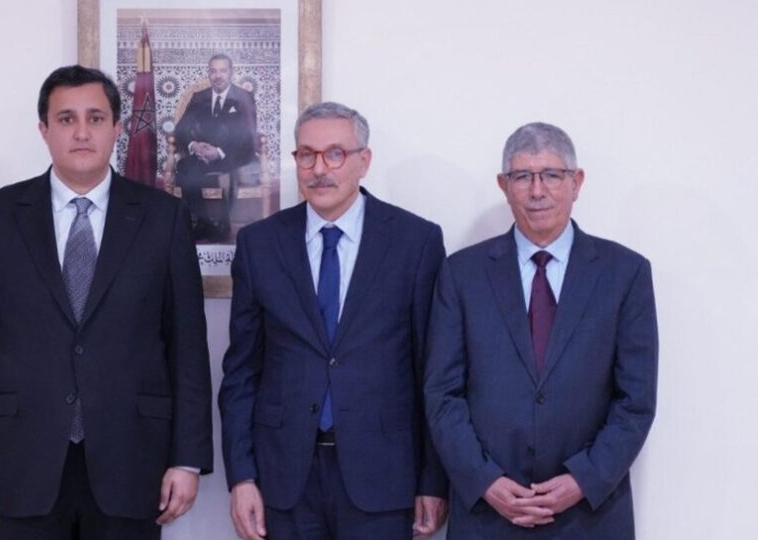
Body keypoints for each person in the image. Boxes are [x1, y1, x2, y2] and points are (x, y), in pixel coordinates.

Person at [0, 65, 213, 540]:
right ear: (44, 130)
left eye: (96, 118)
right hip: (20, 460)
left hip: (133, 458)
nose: (82, 132)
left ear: (117, 128)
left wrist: (187, 459)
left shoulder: (164, 218)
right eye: (66, 119)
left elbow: (187, 347)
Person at [219, 102, 449, 539]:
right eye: (307, 155)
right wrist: (241, 476)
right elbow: (242, 372)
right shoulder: (260, 244)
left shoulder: (415, 242)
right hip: (284, 477)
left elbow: (434, 372)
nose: (319, 169)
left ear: (364, 160)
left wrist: (433, 481)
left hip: (384, 476)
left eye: (335, 154)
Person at [424, 122, 658, 539]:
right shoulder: (462, 273)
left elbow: (635, 401)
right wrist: (485, 480)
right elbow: (442, 394)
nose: (537, 191)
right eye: (522, 177)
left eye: (551, 174)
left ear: (576, 182)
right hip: (488, 514)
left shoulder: (626, 273)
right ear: (504, 185)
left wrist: (583, 479)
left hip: (590, 515)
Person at [173, 53, 259, 242]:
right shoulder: (199, 97)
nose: (217, 76)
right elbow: (181, 129)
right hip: (203, 155)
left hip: (233, 155)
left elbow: (247, 135)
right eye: (213, 71)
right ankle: (204, 223)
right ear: (209, 73)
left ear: (231, 72)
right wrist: (194, 146)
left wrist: (219, 153)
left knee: (227, 173)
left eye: (222, 71)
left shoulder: (244, 97)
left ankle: (222, 226)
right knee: (185, 167)